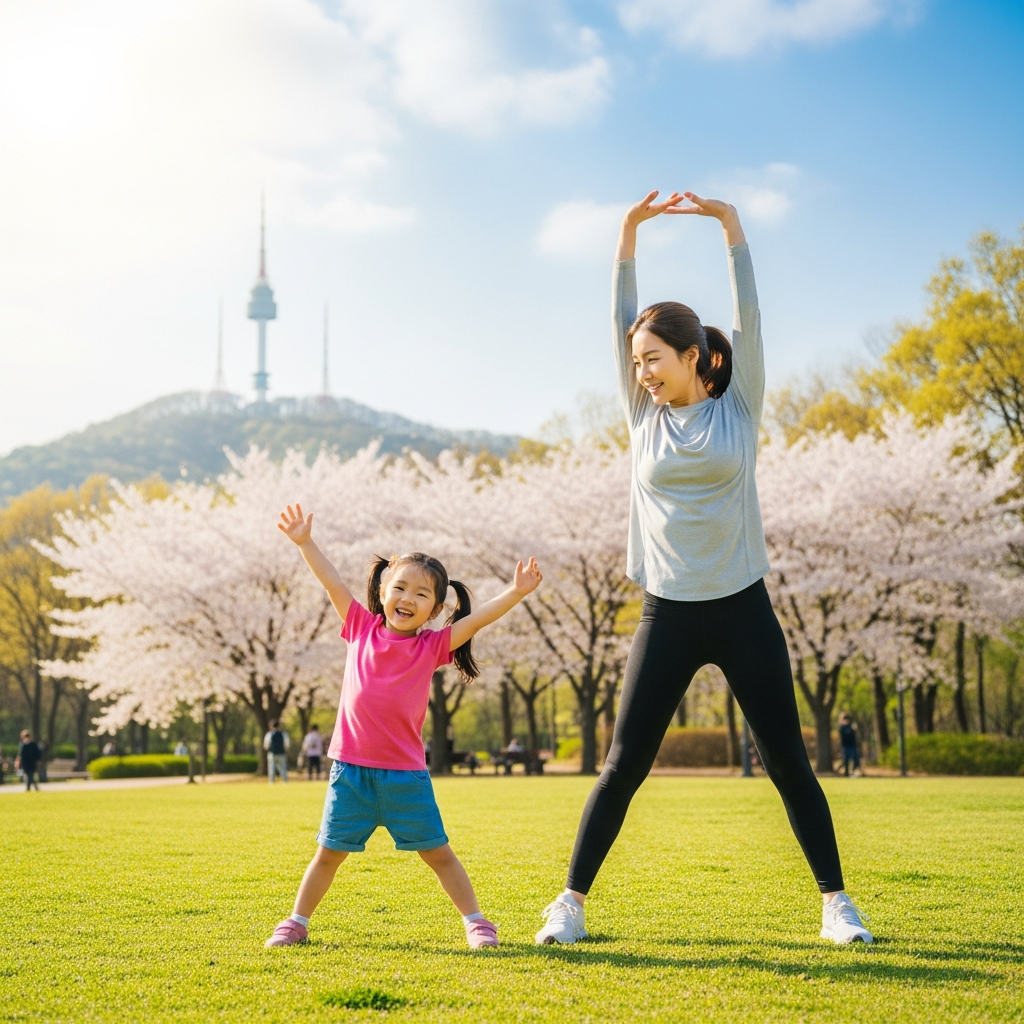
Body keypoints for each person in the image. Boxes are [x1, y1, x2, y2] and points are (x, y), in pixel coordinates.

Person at [534, 190, 872, 948]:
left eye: (654, 358)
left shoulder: (738, 405)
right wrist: (626, 234)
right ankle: (571, 905)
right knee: (623, 764)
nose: (643, 371)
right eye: (635, 362)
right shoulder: (641, 413)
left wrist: (730, 226)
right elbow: (617, 316)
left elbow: (750, 311)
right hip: (669, 612)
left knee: (788, 760)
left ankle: (836, 905)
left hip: (743, 607)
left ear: (694, 358)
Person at [264, 503, 543, 951]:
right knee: (327, 854)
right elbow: (332, 581)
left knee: (437, 853)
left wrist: (516, 592)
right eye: (400, 588)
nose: (407, 599)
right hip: (349, 773)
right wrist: (305, 543)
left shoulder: (432, 647)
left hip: (404, 777)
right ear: (382, 590)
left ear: (434, 609)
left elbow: (478, 619)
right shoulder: (359, 627)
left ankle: (476, 922)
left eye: (421, 594)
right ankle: (297, 922)